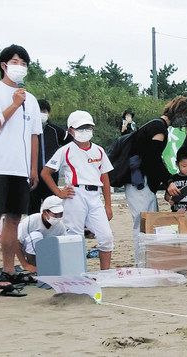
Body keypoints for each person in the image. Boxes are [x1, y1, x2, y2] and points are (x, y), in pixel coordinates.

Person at [0, 44, 42, 284]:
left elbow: (34, 135)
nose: (20, 67)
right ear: (4, 65)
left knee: (14, 219)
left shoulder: (31, 100)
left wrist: (33, 169)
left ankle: (9, 270)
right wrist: (14, 103)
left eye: (23, 63)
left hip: (20, 169)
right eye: (15, 62)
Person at [42, 110, 114, 270]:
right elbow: (45, 172)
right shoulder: (65, 150)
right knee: (75, 236)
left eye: (88, 127)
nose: (85, 130)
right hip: (75, 195)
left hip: (95, 196)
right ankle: (76, 274)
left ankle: (105, 274)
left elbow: (105, 178)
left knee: (106, 236)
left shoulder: (99, 150)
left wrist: (108, 205)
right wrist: (59, 192)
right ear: (70, 130)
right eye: (80, 127)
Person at [125, 96, 187, 238]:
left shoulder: (155, 125)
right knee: (144, 223)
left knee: (149, 222)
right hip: (139, 182)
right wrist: (168, 182)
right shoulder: (158, 128)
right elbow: (153, 159)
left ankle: (148, 258)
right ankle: (143, 259)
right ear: (181, 113)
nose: (183, 124)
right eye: (186, 119)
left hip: (141, 181)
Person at [29, 99, 70, 214]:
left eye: (44, 111)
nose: (42, 113)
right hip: (32, 175)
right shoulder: (27, 130)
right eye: (39, 110)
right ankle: (32, 230)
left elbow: (71, 144)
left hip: (51, 176)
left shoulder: (55, 130)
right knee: (33, 208)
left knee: (52, 208)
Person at [17, 195, 66, 271]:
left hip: (47, 252)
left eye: (60, 214)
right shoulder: (30, 221)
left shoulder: (60, 226)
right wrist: (25, 265)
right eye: (55, 214)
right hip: (28, 249)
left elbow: (63, 246)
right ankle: (33, 264)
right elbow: (17, 242)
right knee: (36, 236)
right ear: (44, 212)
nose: (58, 217)